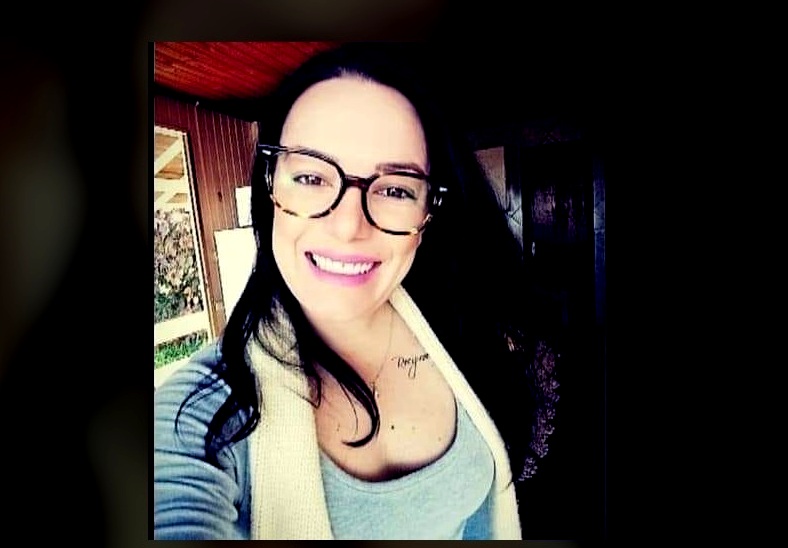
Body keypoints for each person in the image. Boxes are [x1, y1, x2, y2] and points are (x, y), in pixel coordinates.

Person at [153, 42, 559, 540]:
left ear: (428, 213)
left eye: (395, 189)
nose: (348, 227)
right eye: (310, 176)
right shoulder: (199, 416)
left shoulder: (459, 321)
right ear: (270, 186)